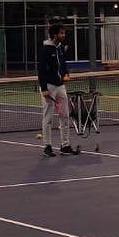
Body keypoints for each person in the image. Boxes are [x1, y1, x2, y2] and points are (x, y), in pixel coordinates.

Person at [37, 22, 78, 157]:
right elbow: (41, 70)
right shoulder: (45, 50)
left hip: (60, 87)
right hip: (48, 86)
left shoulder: (59, 48)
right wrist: (44, 88)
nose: (63, 35)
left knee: (65, 115)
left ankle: (65, 145)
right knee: (48, 117)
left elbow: (63, 63)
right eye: (61, 33)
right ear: (55, 35)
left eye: (64, 33)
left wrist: (66, 74)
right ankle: (47, 146)